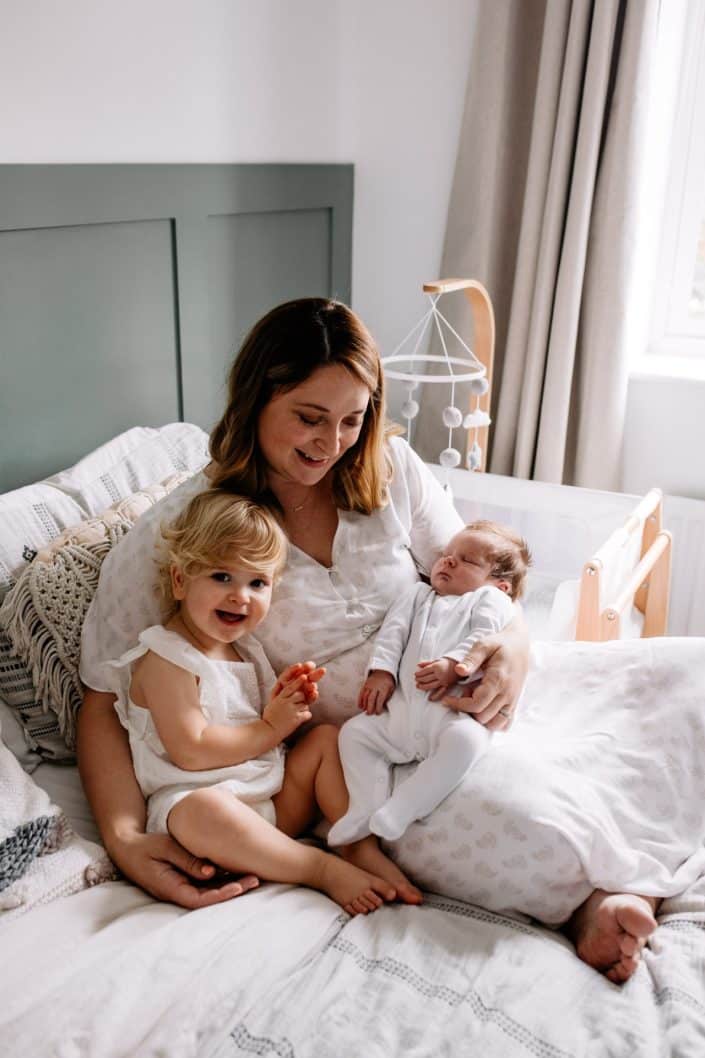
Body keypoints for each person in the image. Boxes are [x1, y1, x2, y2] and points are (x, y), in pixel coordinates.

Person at [77, 298, 657, 982]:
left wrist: (514, 651)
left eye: (352, 419)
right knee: (508, 808)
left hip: (451, 688)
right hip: (363, 758)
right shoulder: (193, 529)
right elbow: (100, 697)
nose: (332, 443)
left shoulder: (391, 470)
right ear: (256, 398)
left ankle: (635, 865)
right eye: (309, 418)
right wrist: (122, 837)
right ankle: (593, 902)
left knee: (664, 689)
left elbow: (483, 580)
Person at [105, 488, 422, 914]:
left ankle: (355, 841)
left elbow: (250, 726)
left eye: (257, 582)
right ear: (180, 581)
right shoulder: (168, 657)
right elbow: (191, 750)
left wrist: (284, 705)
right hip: (197, 813)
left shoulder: (246, 650)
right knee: (200, 809)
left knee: (326, 740)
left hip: (266, 803)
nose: (241, 596)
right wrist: (271, 727)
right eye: (221, 577)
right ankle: (317, 868)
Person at [328, 521, 529, 846]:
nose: (448, 560)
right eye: (448, 554)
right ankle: (365, 807)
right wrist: (381, 672)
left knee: (467, 742)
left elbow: (484, 634)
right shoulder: (418, 594)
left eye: (467, 560)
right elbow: (393, 632)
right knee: (354, 734)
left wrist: (455, 665)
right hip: (401, 711)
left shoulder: (488, 600)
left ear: (500, 585)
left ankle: (403, 808)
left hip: (450, 713)